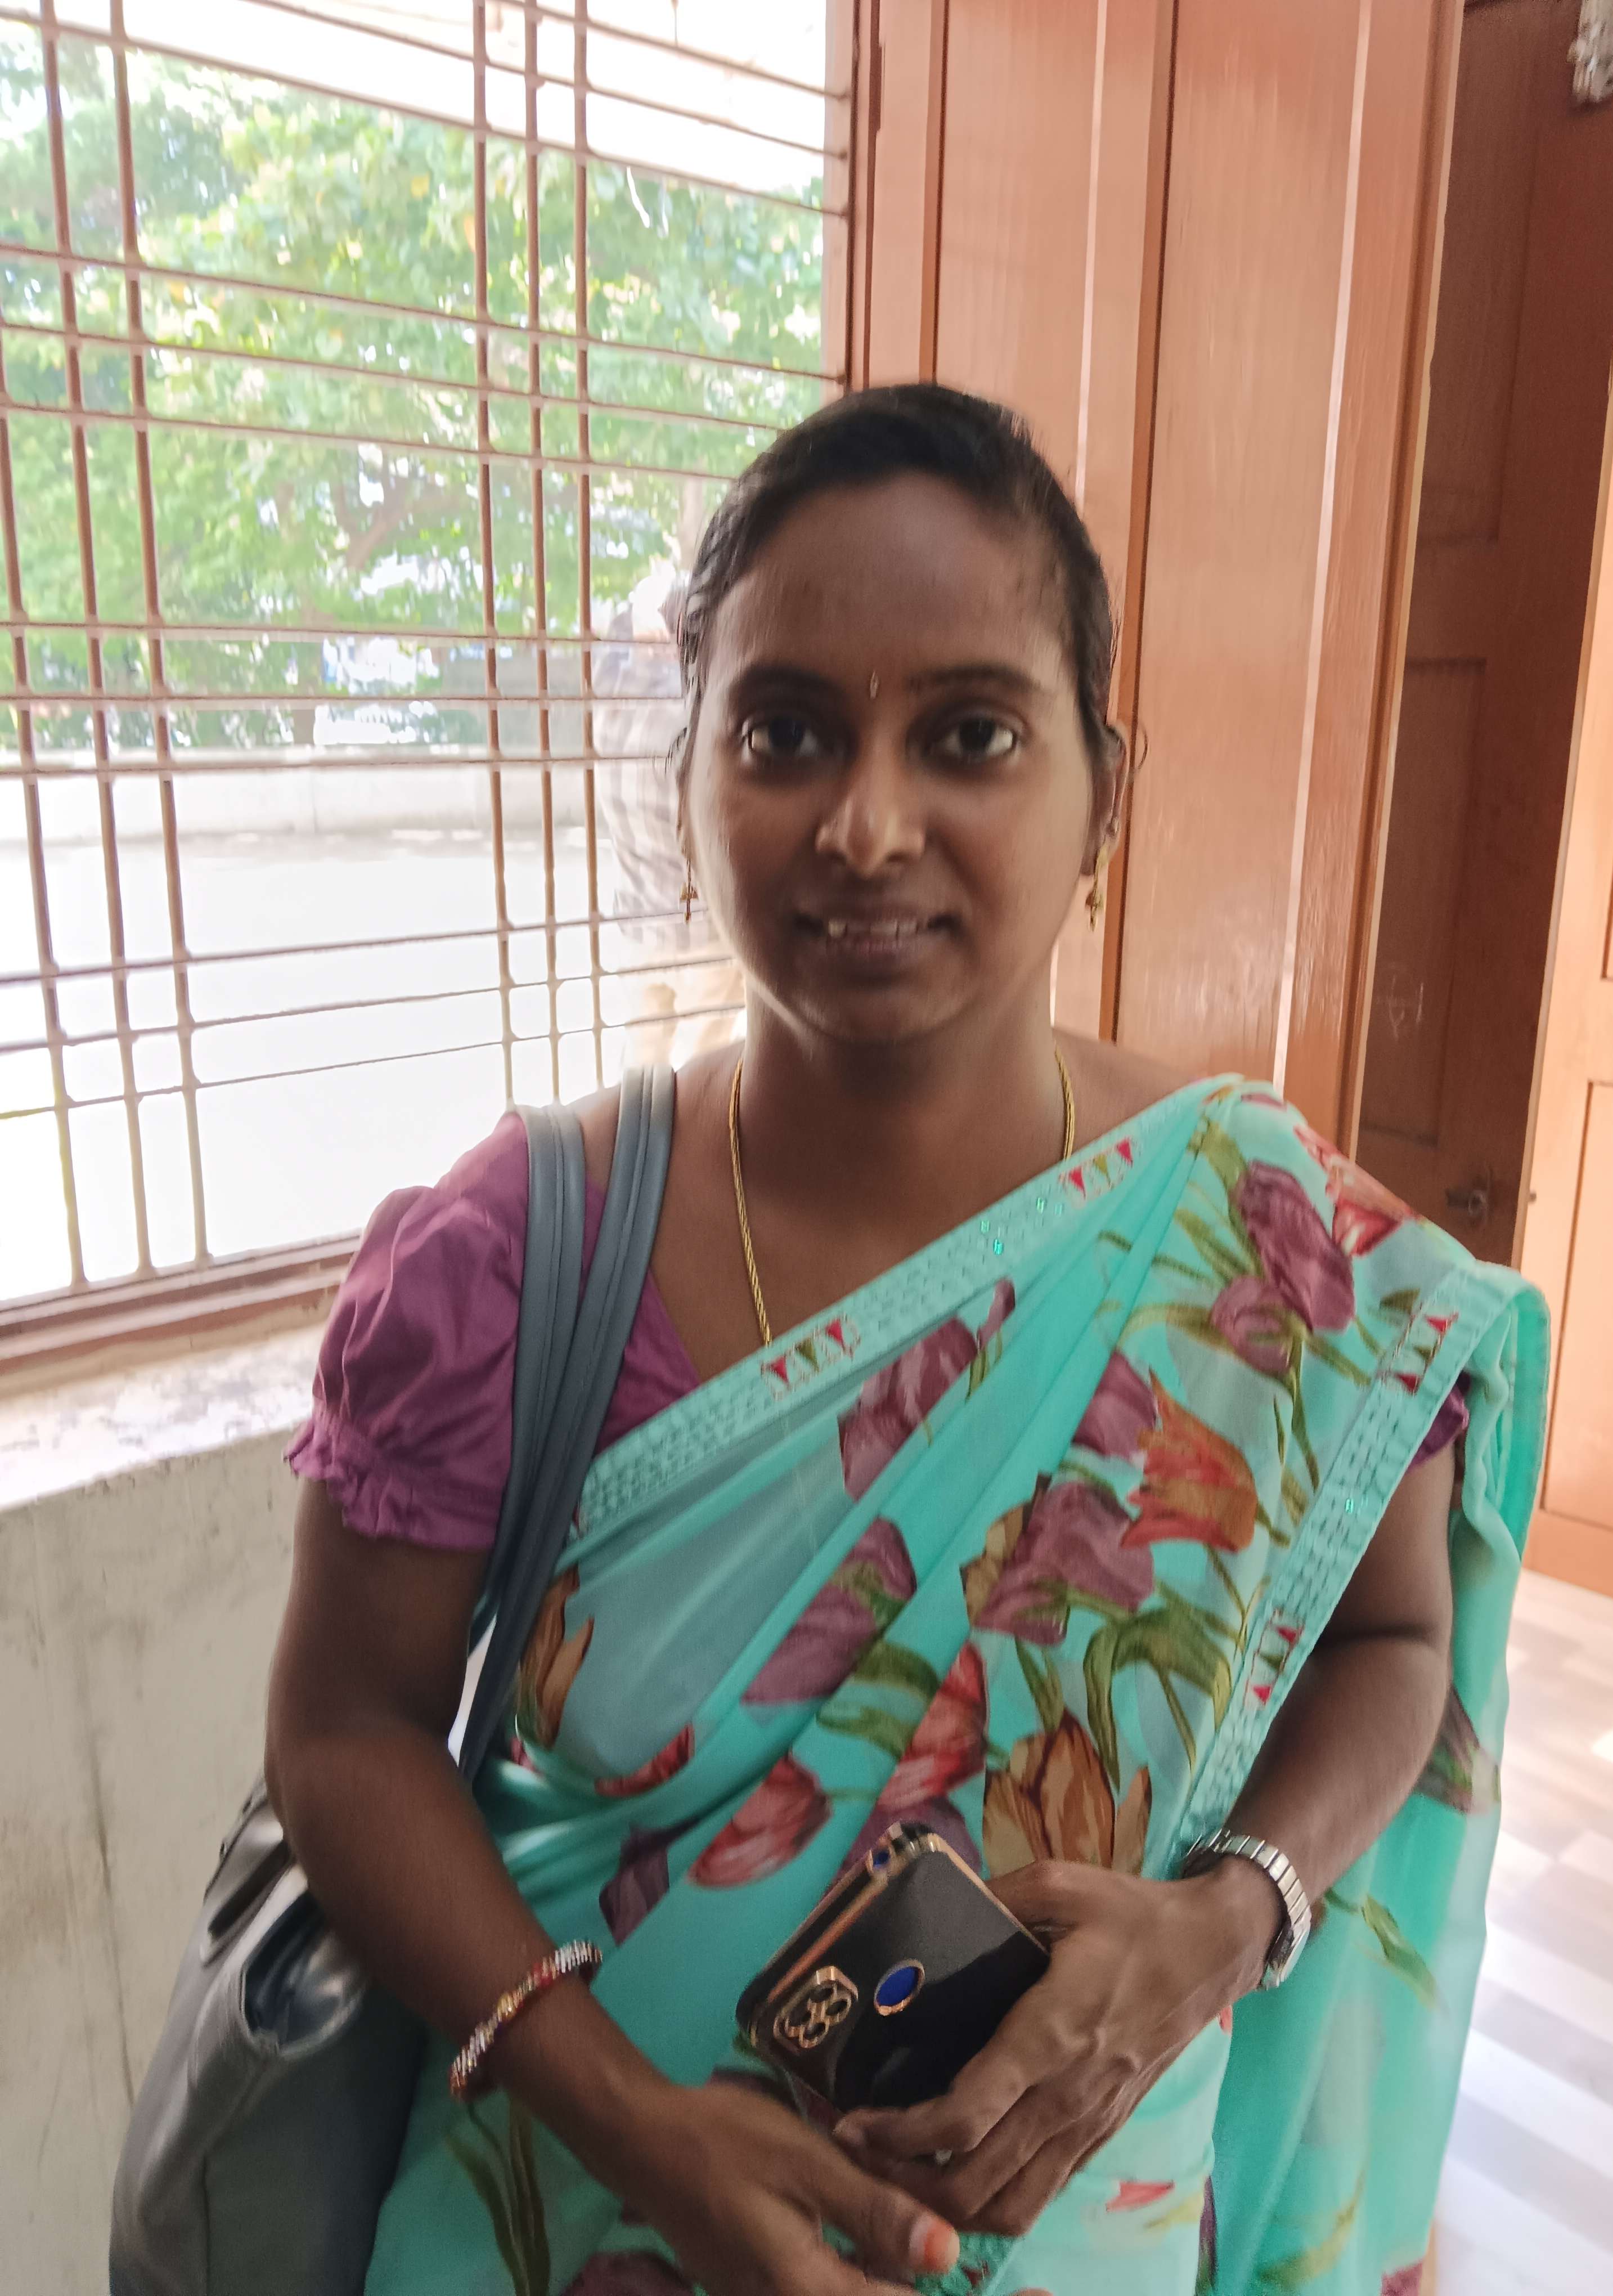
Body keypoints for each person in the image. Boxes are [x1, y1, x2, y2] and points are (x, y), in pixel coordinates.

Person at [269, 383, 1545, 2296]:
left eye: (969, 734)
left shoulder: (1268, 1247)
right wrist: (632, 2126)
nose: (867, 826)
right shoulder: (516, 1261)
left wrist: (1229, 1921)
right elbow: (345, 1732)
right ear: (691, 776)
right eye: (786, 731)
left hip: (1080, 2231)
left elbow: (1390, 1643)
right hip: (566, 2213)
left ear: (1101, 790)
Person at [591, 568, 746, 1069]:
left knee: (642, 1067)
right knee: (706, 1071)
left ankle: (638, 1122)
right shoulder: (694, 723)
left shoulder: (609, 706)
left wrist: (642, 609)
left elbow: (612, 635)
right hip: (701, 935)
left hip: (638, 926)